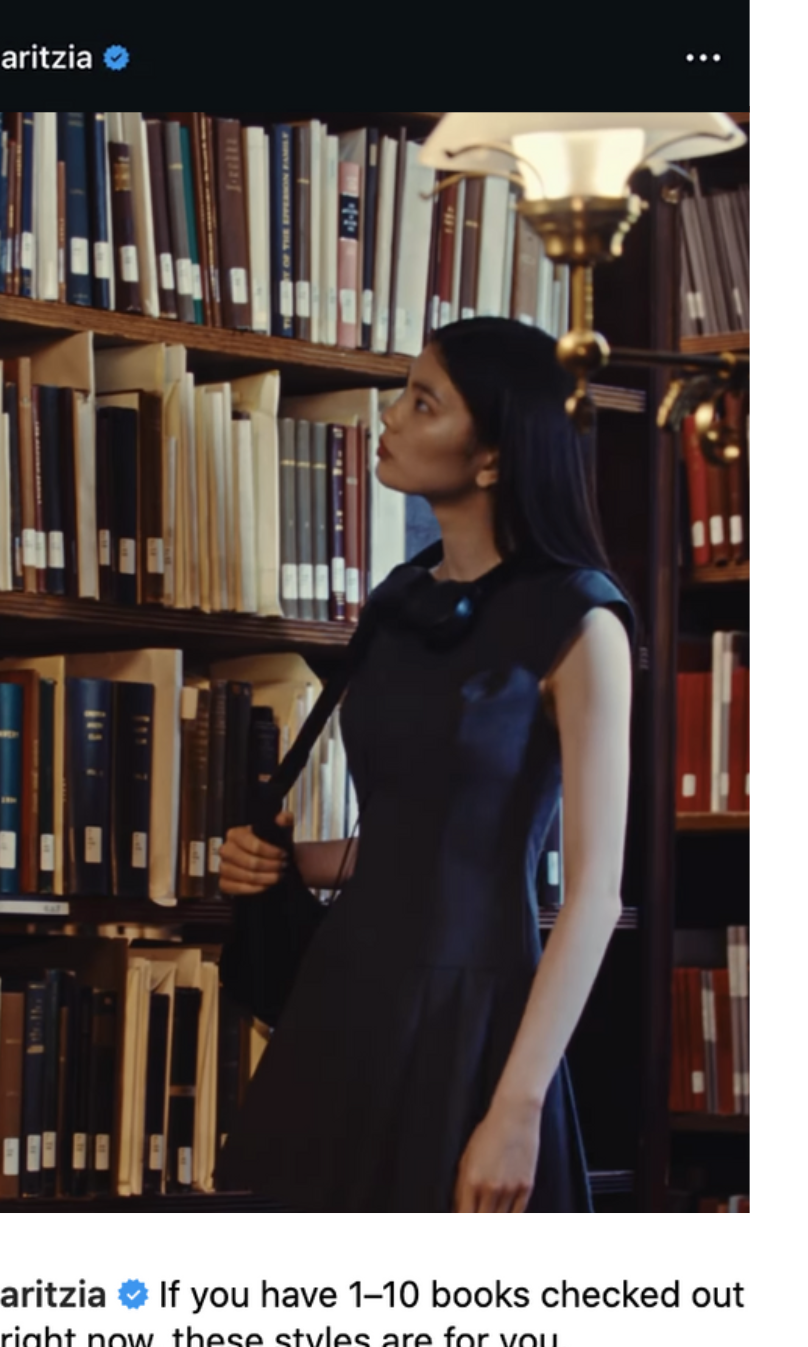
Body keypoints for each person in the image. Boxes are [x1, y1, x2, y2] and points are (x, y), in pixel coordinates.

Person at [214, 316, 635, 1213]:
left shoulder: (582, 622)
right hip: (343, 999)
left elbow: (597, 893)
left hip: (474, 1018)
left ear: (492, 456)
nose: (389, 417)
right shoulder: (401, 598)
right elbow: (415, 827)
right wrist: (289, 862)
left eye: (422, 401)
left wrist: (517, 1107)